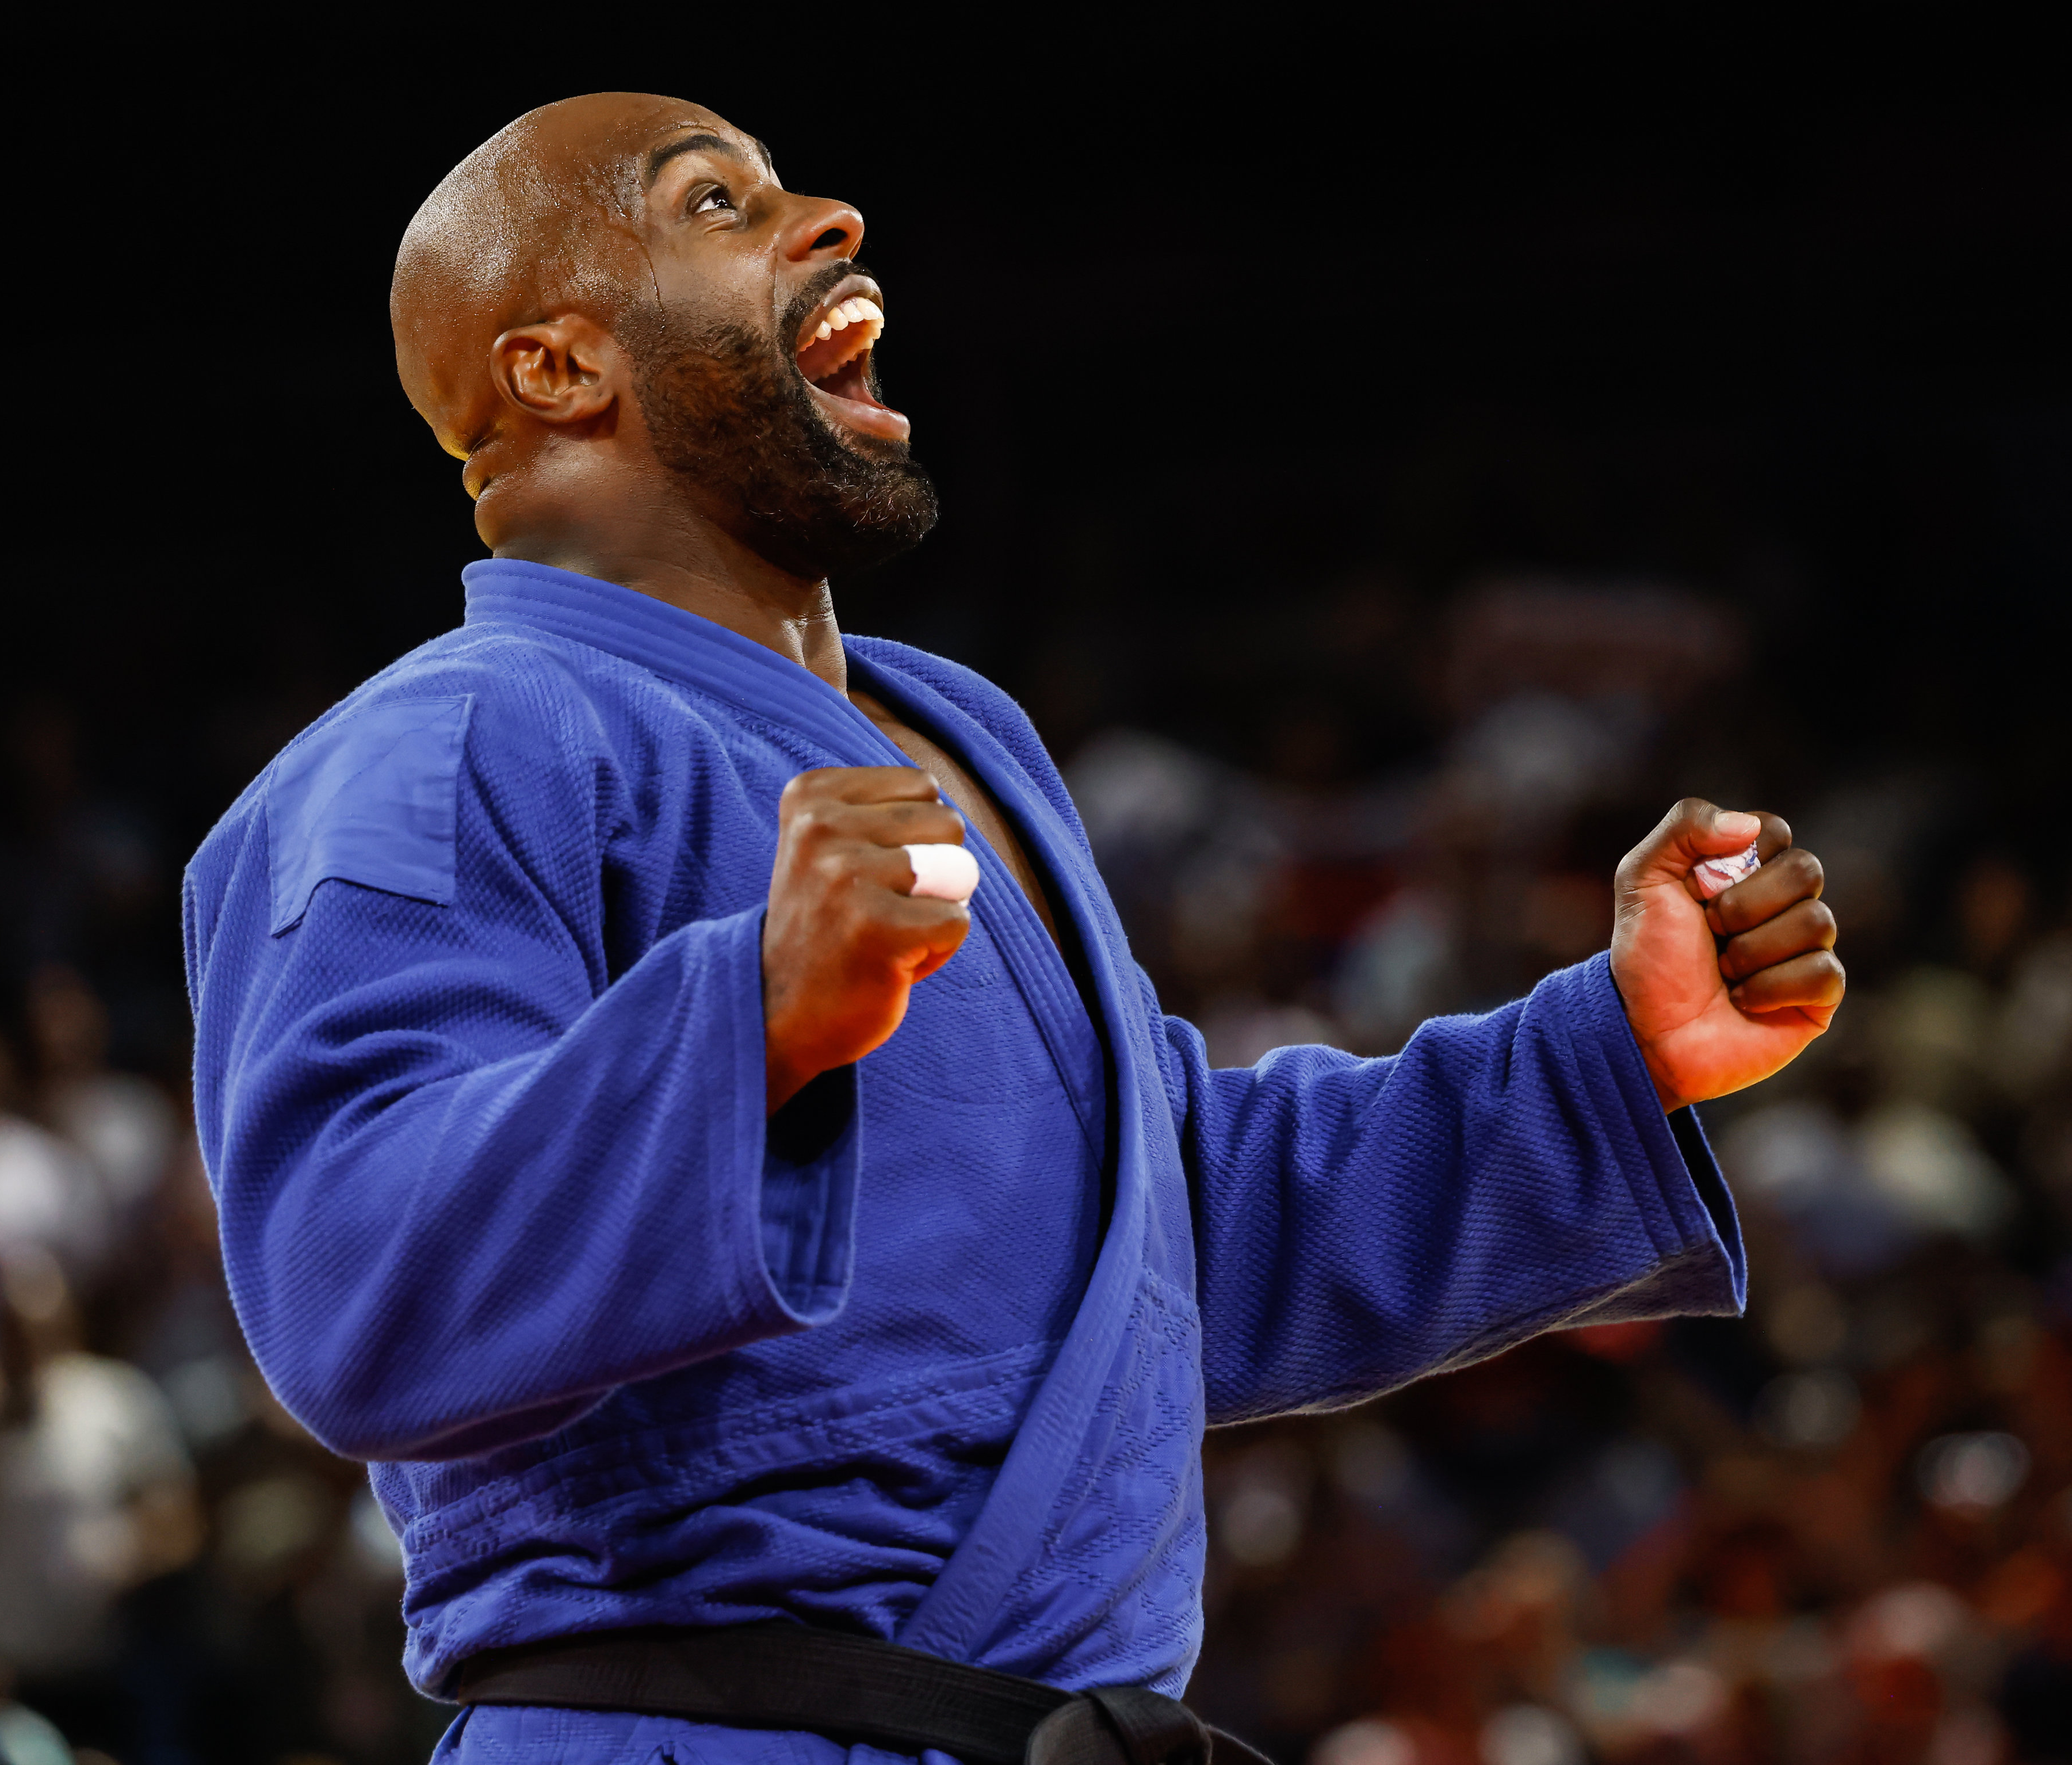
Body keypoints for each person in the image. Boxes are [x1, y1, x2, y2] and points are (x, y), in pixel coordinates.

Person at [180, 93, 1847, 1765]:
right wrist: (745, 1015)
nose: (828, 218)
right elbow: (350, 1275)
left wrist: (1616, 1055)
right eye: (714, 204)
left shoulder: (954, 731)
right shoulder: (439, 749)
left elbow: (1155, 1237)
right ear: (558, 369)